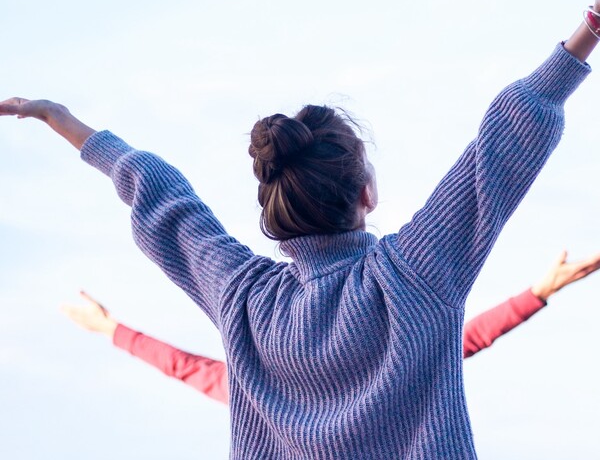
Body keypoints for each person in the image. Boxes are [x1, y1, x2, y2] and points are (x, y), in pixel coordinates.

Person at [1, 0, 598, 459]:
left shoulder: (245, 297)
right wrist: (589, 29)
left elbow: (162, 198)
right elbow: (500, 147)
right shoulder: (414, 275)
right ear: (367, 193)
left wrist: (64, 121)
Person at [60, 249, 600, 404]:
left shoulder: (262, 394)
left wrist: (111, 330)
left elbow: (188, 370)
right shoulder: (385, 368)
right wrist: (537, 294)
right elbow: (460, 340)